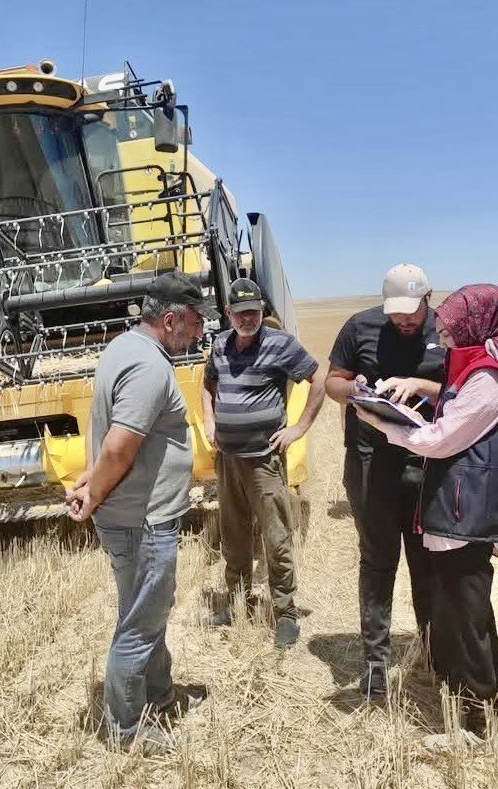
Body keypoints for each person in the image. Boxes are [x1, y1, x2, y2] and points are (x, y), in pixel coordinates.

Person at [66, 272, 219, 750]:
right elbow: (119, 445)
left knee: (148, 611)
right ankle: (126, 730)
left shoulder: (123, 347)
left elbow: (105, 429)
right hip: (142, 521)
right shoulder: (150, 366)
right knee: (139, 624)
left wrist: (92, 479)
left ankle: (160, 692)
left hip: (136, 517)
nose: (200, 331)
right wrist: (94, 492)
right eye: (196, 322)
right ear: (170, 320)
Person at [355, 283, 498, 737]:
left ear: (477, 325)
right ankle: (467, 698)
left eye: (454, 327)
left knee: (468, 617)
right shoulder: (471, 368)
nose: (445, 334)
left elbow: (440, 440)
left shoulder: (487, 379)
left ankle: (478, 716)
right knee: (457, 611)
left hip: (464, 517)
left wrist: (384, 424)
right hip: (452, 511)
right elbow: (449, 423)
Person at [325, 264, 445, 699]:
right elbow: (332, 382)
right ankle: (375, 660)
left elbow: (463, 390)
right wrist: (353, 390)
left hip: (427, 462)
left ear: (428, 298)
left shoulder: (446, 330)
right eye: (396, 313)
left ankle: (434, 653)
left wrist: (419, 385)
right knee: (377, 560)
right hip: (370, 461)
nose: (403, 320)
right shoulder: (360, 327)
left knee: (427, 561)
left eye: (411, 313)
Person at [202, 278, 326, 647]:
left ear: (262, 311)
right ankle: (236, 603)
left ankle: (285, 611)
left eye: (254, 312)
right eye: (241, 313)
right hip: (228, 460)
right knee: (234, 535)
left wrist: (298, 428)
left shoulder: (280, 344)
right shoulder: (219, 345)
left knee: (276, 537)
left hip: (264, 462)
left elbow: (319, 379)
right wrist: (209, 421)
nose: (248, 319)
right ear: (229, 313)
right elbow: (208, 384)